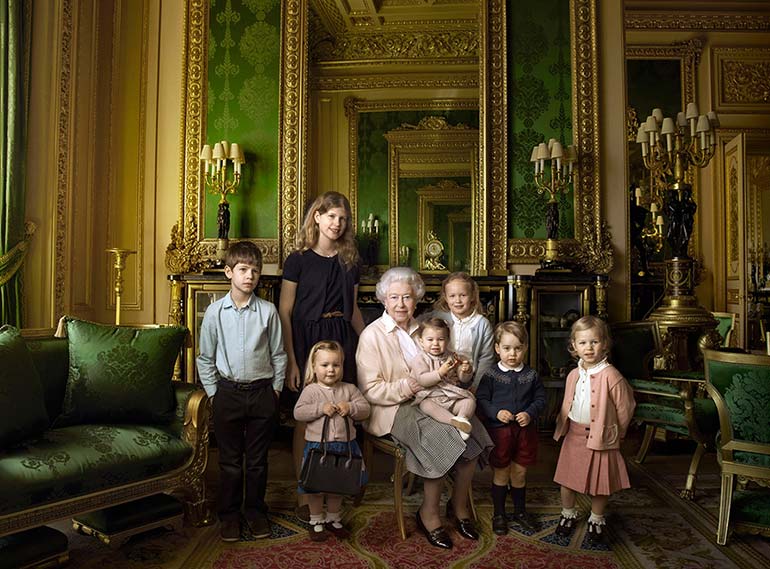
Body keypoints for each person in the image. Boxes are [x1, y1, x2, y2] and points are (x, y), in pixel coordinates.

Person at [356, 267, 493, 550]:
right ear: (383, 300)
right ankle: (428, 513)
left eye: (407, 297)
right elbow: (371, 391)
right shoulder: (372, 336)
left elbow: (446, 370)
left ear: (416, 299)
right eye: (394, 297)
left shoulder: (427, 328)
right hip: (394, 408)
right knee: (439, 434)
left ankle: (458, 505)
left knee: (474, 431)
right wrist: (411, 387)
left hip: (435, 398)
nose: (401, 304)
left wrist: (460, 371)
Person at [279, 191, 366, 520]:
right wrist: (291, 358)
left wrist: (368, 340)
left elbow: (354, 309)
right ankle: (306, 493)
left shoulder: (350, 261)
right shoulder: (298, 259)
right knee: (309, 417)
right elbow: (285, 310)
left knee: (344, 413)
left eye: (342, 218)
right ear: (316, 216)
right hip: (306, 341)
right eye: (331, 216)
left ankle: (341, 484)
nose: (337, 223)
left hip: (341, 338)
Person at [197, 241, 287, 542]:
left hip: (262, 393)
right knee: (230, 461)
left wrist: (275, 391)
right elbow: (205, 358)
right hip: (228, 394)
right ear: (229, 272)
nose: (250, 276)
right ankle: (230, 515)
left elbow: (278, 355)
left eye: (255, 271)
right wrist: (214, 393)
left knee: (258, 461)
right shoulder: (214, 313)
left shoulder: (268, 311)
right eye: (244, 270)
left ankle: (255, 512)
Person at [553, 315, 636, 544]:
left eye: (594, 342)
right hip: (574, 434)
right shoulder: (573, 375)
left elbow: (626, 407)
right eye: (582, 343)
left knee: (600, 483)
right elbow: (568, 402)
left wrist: (616, 433)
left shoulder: (612, 375)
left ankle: (596, 518)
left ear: (604, 344)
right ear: (574, 346)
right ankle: (568, 514)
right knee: (567, 480)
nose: (588, 348)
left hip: (601, 437)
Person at [293, 341, 370, 542]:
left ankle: (333, 519)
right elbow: (298, 412)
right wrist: (320, 408)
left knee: (338, 486)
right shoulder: (311, 391)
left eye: (336, 365)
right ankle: (316, 519)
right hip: (318, 448)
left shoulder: (350, 389)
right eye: (325, 365)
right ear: (314, 367)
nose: (330, 370)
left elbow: (365, 409)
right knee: (316, 487)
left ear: (342, 366)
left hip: (345, 447)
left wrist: (351, 407)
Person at [476, 321, 546, 536]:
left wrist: (530, 413)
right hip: (501, 433)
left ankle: (520, 512)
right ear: (497, 348)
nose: (512, 354)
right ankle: (499, 513)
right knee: (501, 472)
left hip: (525, 433)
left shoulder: (531, 375)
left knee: (520, 472)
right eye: (506, 348)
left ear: (525, 347)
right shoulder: (491, 375)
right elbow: (481, 399)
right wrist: (496, 412)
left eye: (517, 348)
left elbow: (541, 399)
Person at [409, 317, 476, 440]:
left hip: (451, 397)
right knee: (425, 406)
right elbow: (422, 380)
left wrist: (465, 371)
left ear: (448, 340)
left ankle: (462, 418)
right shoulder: (420, 359)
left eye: (440, 339)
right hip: (431, 396)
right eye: (430, 339)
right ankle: (454, 422)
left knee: (469, 401)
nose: (435, 343)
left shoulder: (452, 356)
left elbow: (462, 380)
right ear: (421, 341)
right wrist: (439, 373)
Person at [430, 272, 496, 390]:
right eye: (452, 296)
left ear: (472, 296)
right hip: (440, 377)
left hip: (469, 379)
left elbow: (486, 359)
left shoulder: (482, 324)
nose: (458, 300)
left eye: (463, 295)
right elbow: (416, 325)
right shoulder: (438, 317)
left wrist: (476, 386)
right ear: (445, 297)